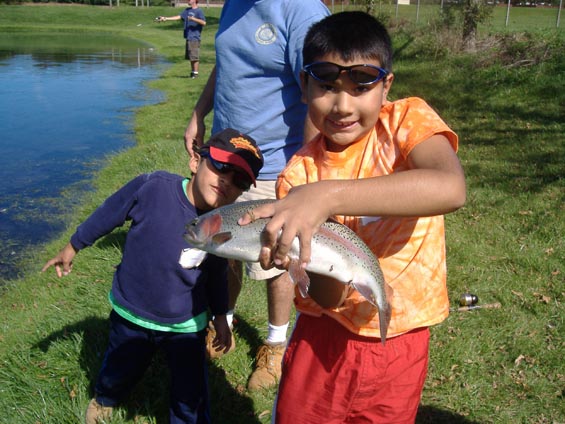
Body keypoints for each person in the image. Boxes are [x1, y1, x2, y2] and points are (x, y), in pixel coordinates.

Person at [240, 11, 467, 423]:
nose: (343, 105)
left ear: (386, 88)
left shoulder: (405, 121)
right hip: (322, 340)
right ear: (305, 86)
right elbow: (330, 299)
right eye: (326, 85)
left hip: (399, 338)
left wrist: (328, 197)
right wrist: (300, 254)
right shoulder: (298, 176)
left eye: (361, 84)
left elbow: (450, 187)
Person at [42, 128, 263, 424]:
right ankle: (105, 398)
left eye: (240, 180)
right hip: (131, 312)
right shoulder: (152, 187)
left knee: (191, 391)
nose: (227, 180)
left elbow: (217, 272)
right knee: (119, 366)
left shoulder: (223, 224)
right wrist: (73, 246)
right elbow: (108, 213)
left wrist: (221, 317)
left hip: (186, 324)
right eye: (221, 166)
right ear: (196, 161)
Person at [183, 0, 330, 391]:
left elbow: (322, 91)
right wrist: (199, 112)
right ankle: (223, 323)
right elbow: (227, 65)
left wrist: (304, 174)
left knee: (276, 262)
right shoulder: (234, 5)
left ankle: (275, 345)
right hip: (225, 163)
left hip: (276, 166)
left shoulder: (301, 12)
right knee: (222, 249)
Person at [157, 0, 206, 78]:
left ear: (195, 1)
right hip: (188, 36)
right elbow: (179, 17)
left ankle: (196, 74)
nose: (188, 0)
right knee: (191, 56)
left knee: (194, 56)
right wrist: (166, 18)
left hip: (195, 37)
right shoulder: (187, 10)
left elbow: (203, 23)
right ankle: (193, 72)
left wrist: (193, 19)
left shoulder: (199, 11)